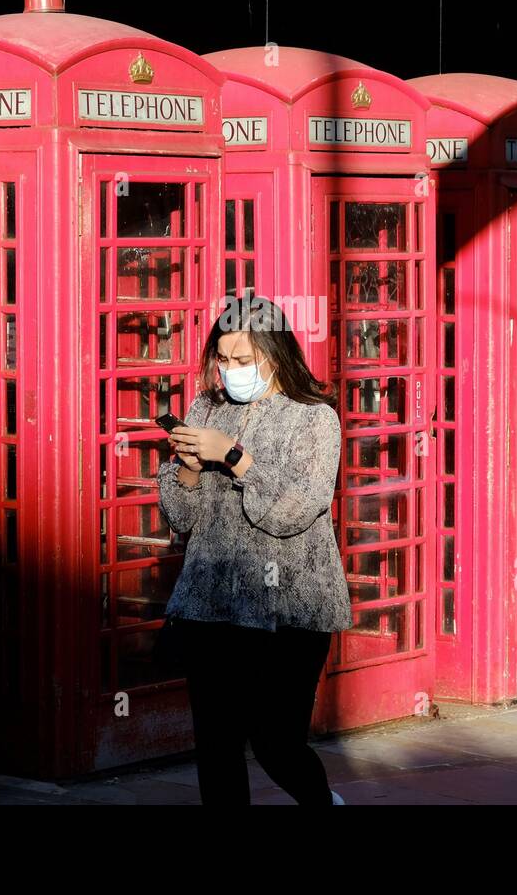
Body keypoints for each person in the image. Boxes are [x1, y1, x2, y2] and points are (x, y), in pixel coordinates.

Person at [156, 294, 352, 806]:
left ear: (275, 354)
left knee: (275, 741)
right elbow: (180, 518)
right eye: (223, 359)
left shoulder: (314, 419)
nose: (230, 371)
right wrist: (190, 467)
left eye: (243, 360)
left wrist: (235, 458)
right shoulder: (207, 408)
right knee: (216, 745)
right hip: (210, 603)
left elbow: (292, 510)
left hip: (289, 610)